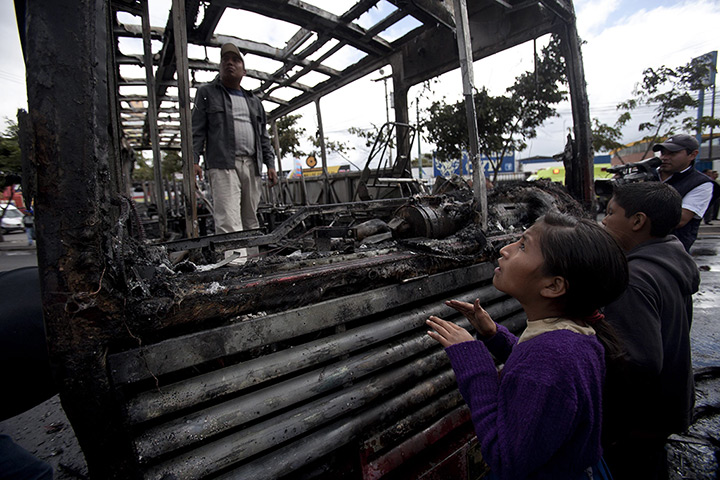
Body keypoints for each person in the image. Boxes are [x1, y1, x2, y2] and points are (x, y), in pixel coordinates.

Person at [426, 212, 628, 479]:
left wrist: (475, 363)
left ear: (554, 286)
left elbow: (505, 458)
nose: (504, 250)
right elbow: (536, 374)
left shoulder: (553, 359)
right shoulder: (572, 336)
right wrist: (495, 336)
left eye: (522, 246)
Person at [600, 182, 699, 480]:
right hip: (667, 404)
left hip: (639, 420)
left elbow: (638, 361)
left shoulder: (634, 279)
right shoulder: (670, 261)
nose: (603, 220)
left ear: (638, 221)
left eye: (610, 212)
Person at [191, 42, 278, 258]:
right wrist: (193, 161)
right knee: (228, 218)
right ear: (220, 67)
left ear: (244, 71)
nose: (230, 63)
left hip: (252, 164)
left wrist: (271, 165)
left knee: (250, 217)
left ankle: (253, 263)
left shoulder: (254, 102)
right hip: (222, 165)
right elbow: (197, 131)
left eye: (235, 60)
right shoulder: (206, 93)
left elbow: (263, 137)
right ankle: (235, 267)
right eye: (225, 60)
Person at [653, 134, 713, 251]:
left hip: (672, 251)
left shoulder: (701, 183)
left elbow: (680, 219)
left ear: (692, 155)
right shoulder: (649, 175)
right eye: (663, 153)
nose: (665, 157)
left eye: (672, 153)